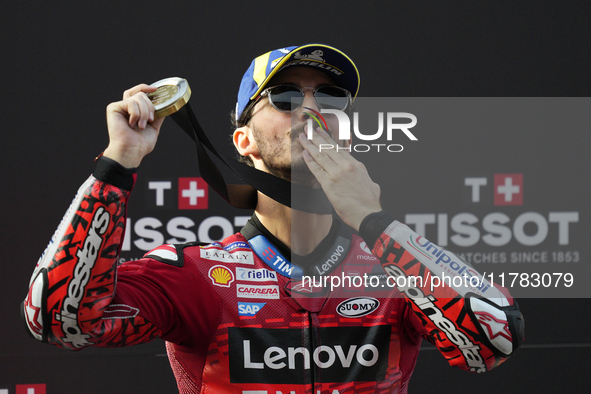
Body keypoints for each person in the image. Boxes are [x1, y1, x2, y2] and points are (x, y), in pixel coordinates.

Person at [22, 44, 524, 394]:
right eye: (285, 98)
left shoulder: (391, 270)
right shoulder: (196, 275)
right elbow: (59, 321)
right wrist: (118, 163)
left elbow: (493, 340)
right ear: (243, 141)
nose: (311, 110)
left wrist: (374, 221)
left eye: (329, 98)